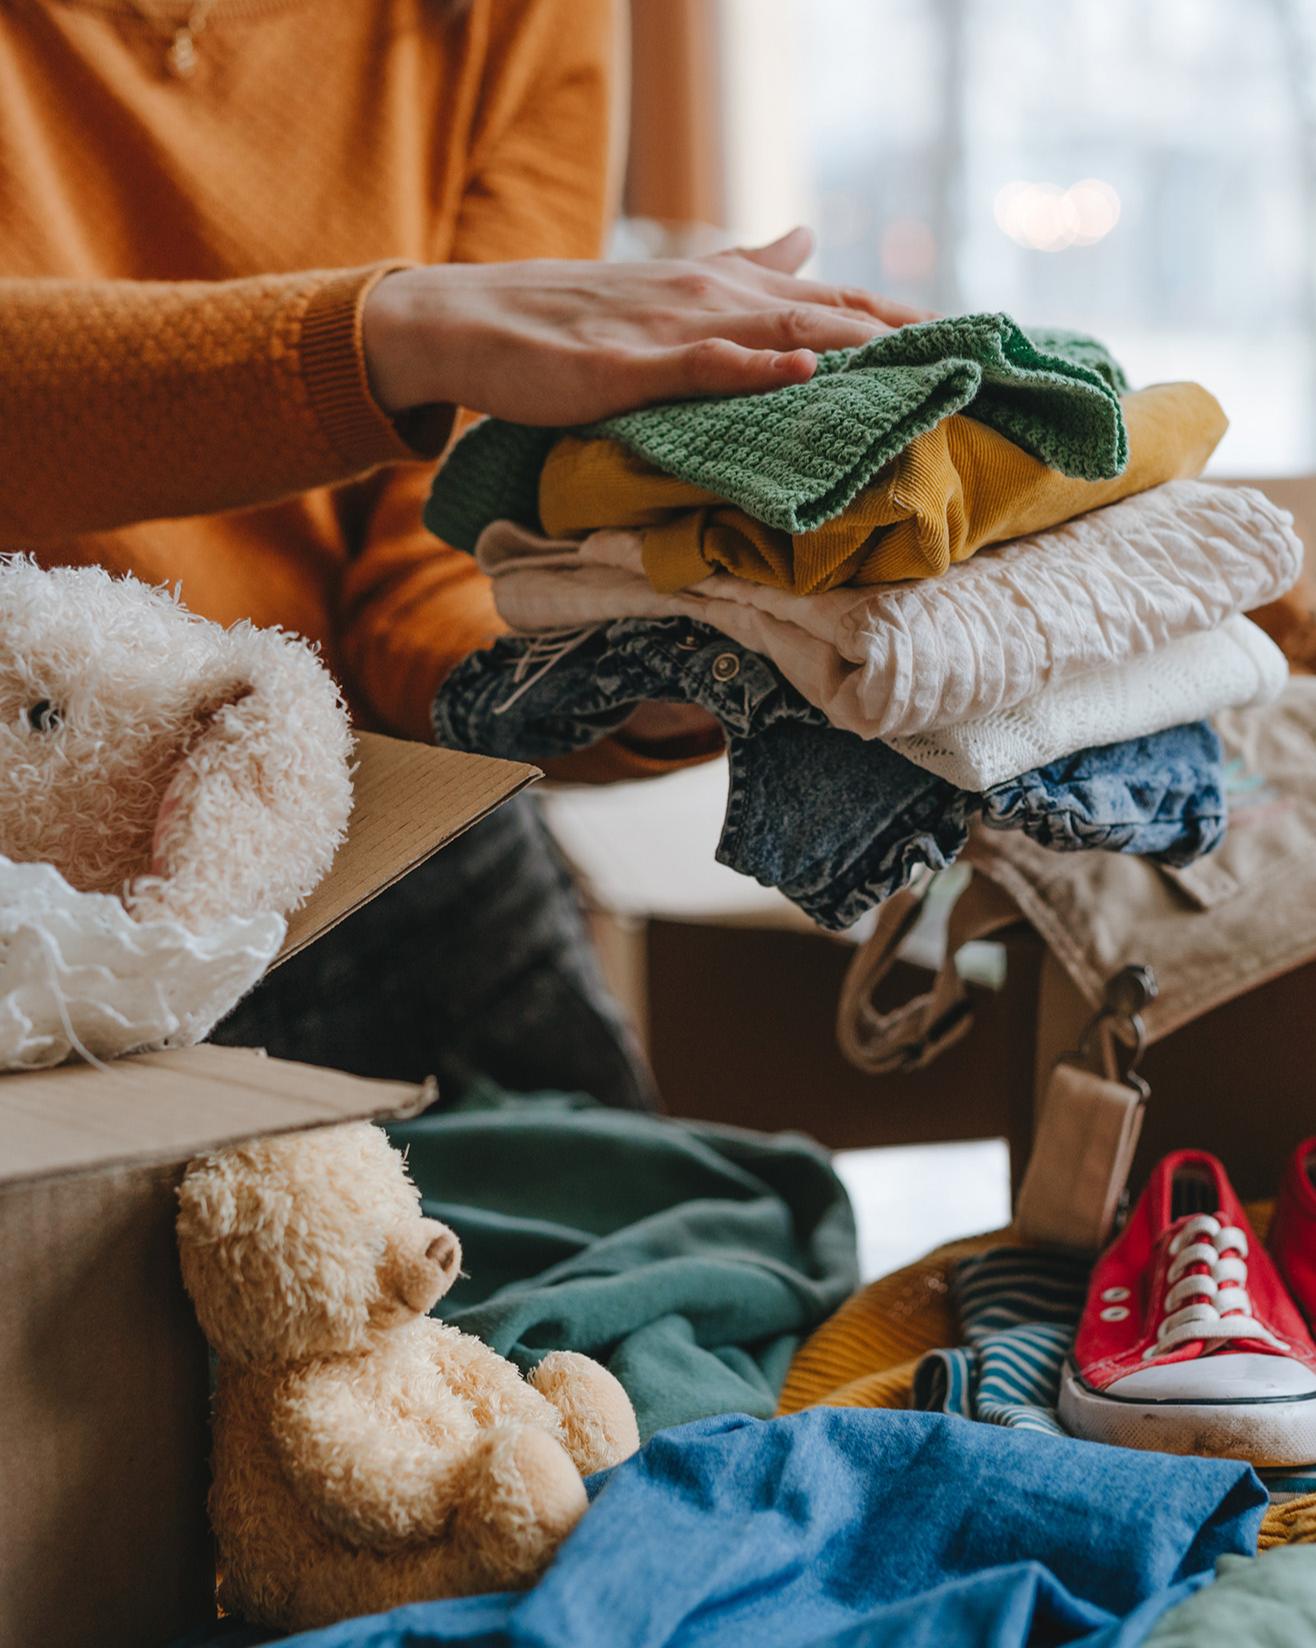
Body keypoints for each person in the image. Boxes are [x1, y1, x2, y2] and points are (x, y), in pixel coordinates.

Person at [0, 0, 923, 1106]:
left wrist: (651, 668)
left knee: (678, 1211)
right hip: (31, 868)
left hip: (373, 820)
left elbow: (428, 579)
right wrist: (396, 335)